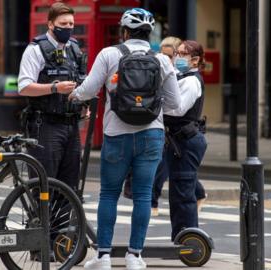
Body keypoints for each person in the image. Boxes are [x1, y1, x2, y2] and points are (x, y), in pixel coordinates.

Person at [69, 8, 181, 270]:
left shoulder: (110, 54)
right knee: (143, 196)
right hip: (152, 134)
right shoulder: (163, 60)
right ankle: (135, 256)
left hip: (116, 134)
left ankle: (104, 257)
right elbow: (175, 104)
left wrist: (72, 96)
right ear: (150, 32)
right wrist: (150, 106)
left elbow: (88, 89)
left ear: (124, 31)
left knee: (109, 194)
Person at [18, 2, 87, 191]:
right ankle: (41, 221)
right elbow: (24, 87)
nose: (68, 28)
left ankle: (63, 222)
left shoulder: (74, 48)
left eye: (71, 24)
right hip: (45, 125)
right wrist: (55, 88)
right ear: (50, 24)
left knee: (69, 185)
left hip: (72, 125)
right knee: (44, 184)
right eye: (63, 24)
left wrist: (84, 105)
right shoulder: (36, 49)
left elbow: (80, 80)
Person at [164, 40, 207, 241]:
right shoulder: (182, 77)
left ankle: (188, 242)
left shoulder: (192, 81)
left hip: (186, 141)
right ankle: (181, 239)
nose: (177, 57)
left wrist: (156, 108)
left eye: (183, 54)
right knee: (179, 193)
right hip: (179, 141)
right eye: (177, 53)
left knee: (182, 195)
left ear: (195, 59)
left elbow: (178, 109)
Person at [151, 36, 182, 217]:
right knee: (167, 166)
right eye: (162, 54)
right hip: (161, 125)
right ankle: (199, 194)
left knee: (167, 167)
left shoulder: (179, 75)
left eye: (169, 56)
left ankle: (153, 202)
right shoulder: (157, 70)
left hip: (174, 129)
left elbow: (176, 104)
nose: (165, 59)